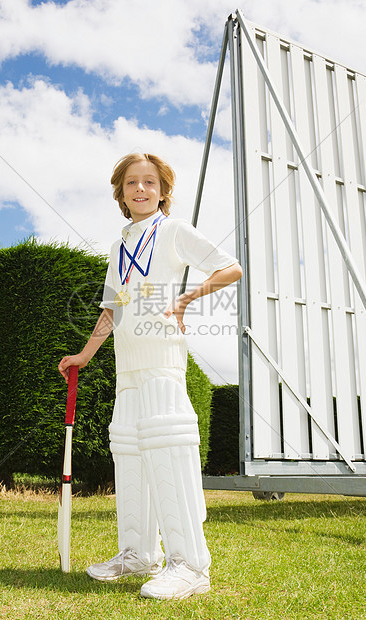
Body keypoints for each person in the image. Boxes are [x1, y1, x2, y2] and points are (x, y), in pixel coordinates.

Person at [58, 153, 242, 600]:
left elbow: (230, 267)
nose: (140, 189)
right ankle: (139, 553)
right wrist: (84, 354)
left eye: (150, 182)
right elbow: (111, 308)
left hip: (162, 361)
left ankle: (191, 566)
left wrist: (186, 300)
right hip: (128, 367)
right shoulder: (121, 244)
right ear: (120, 193)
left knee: (168, 452)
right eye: (131, 183)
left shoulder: (174, 231)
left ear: (163, 191)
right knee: (129, 452)